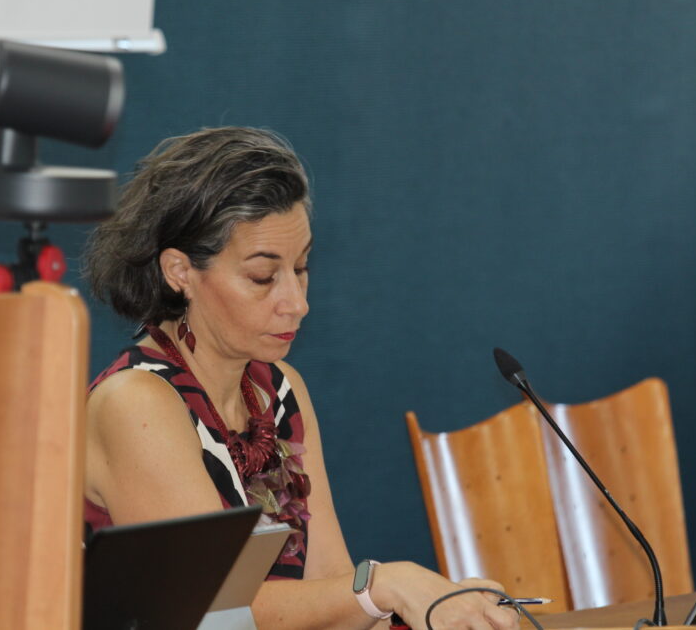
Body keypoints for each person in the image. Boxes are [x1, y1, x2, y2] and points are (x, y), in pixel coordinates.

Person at [83, 126, 520, 630]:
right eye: (263, 277)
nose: (297, 302)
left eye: (302, 267)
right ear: (180, 271)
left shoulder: (281, 388)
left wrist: (443, 608)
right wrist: (388, 586)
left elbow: (333, 596)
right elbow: (213, 612)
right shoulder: (135, 402)